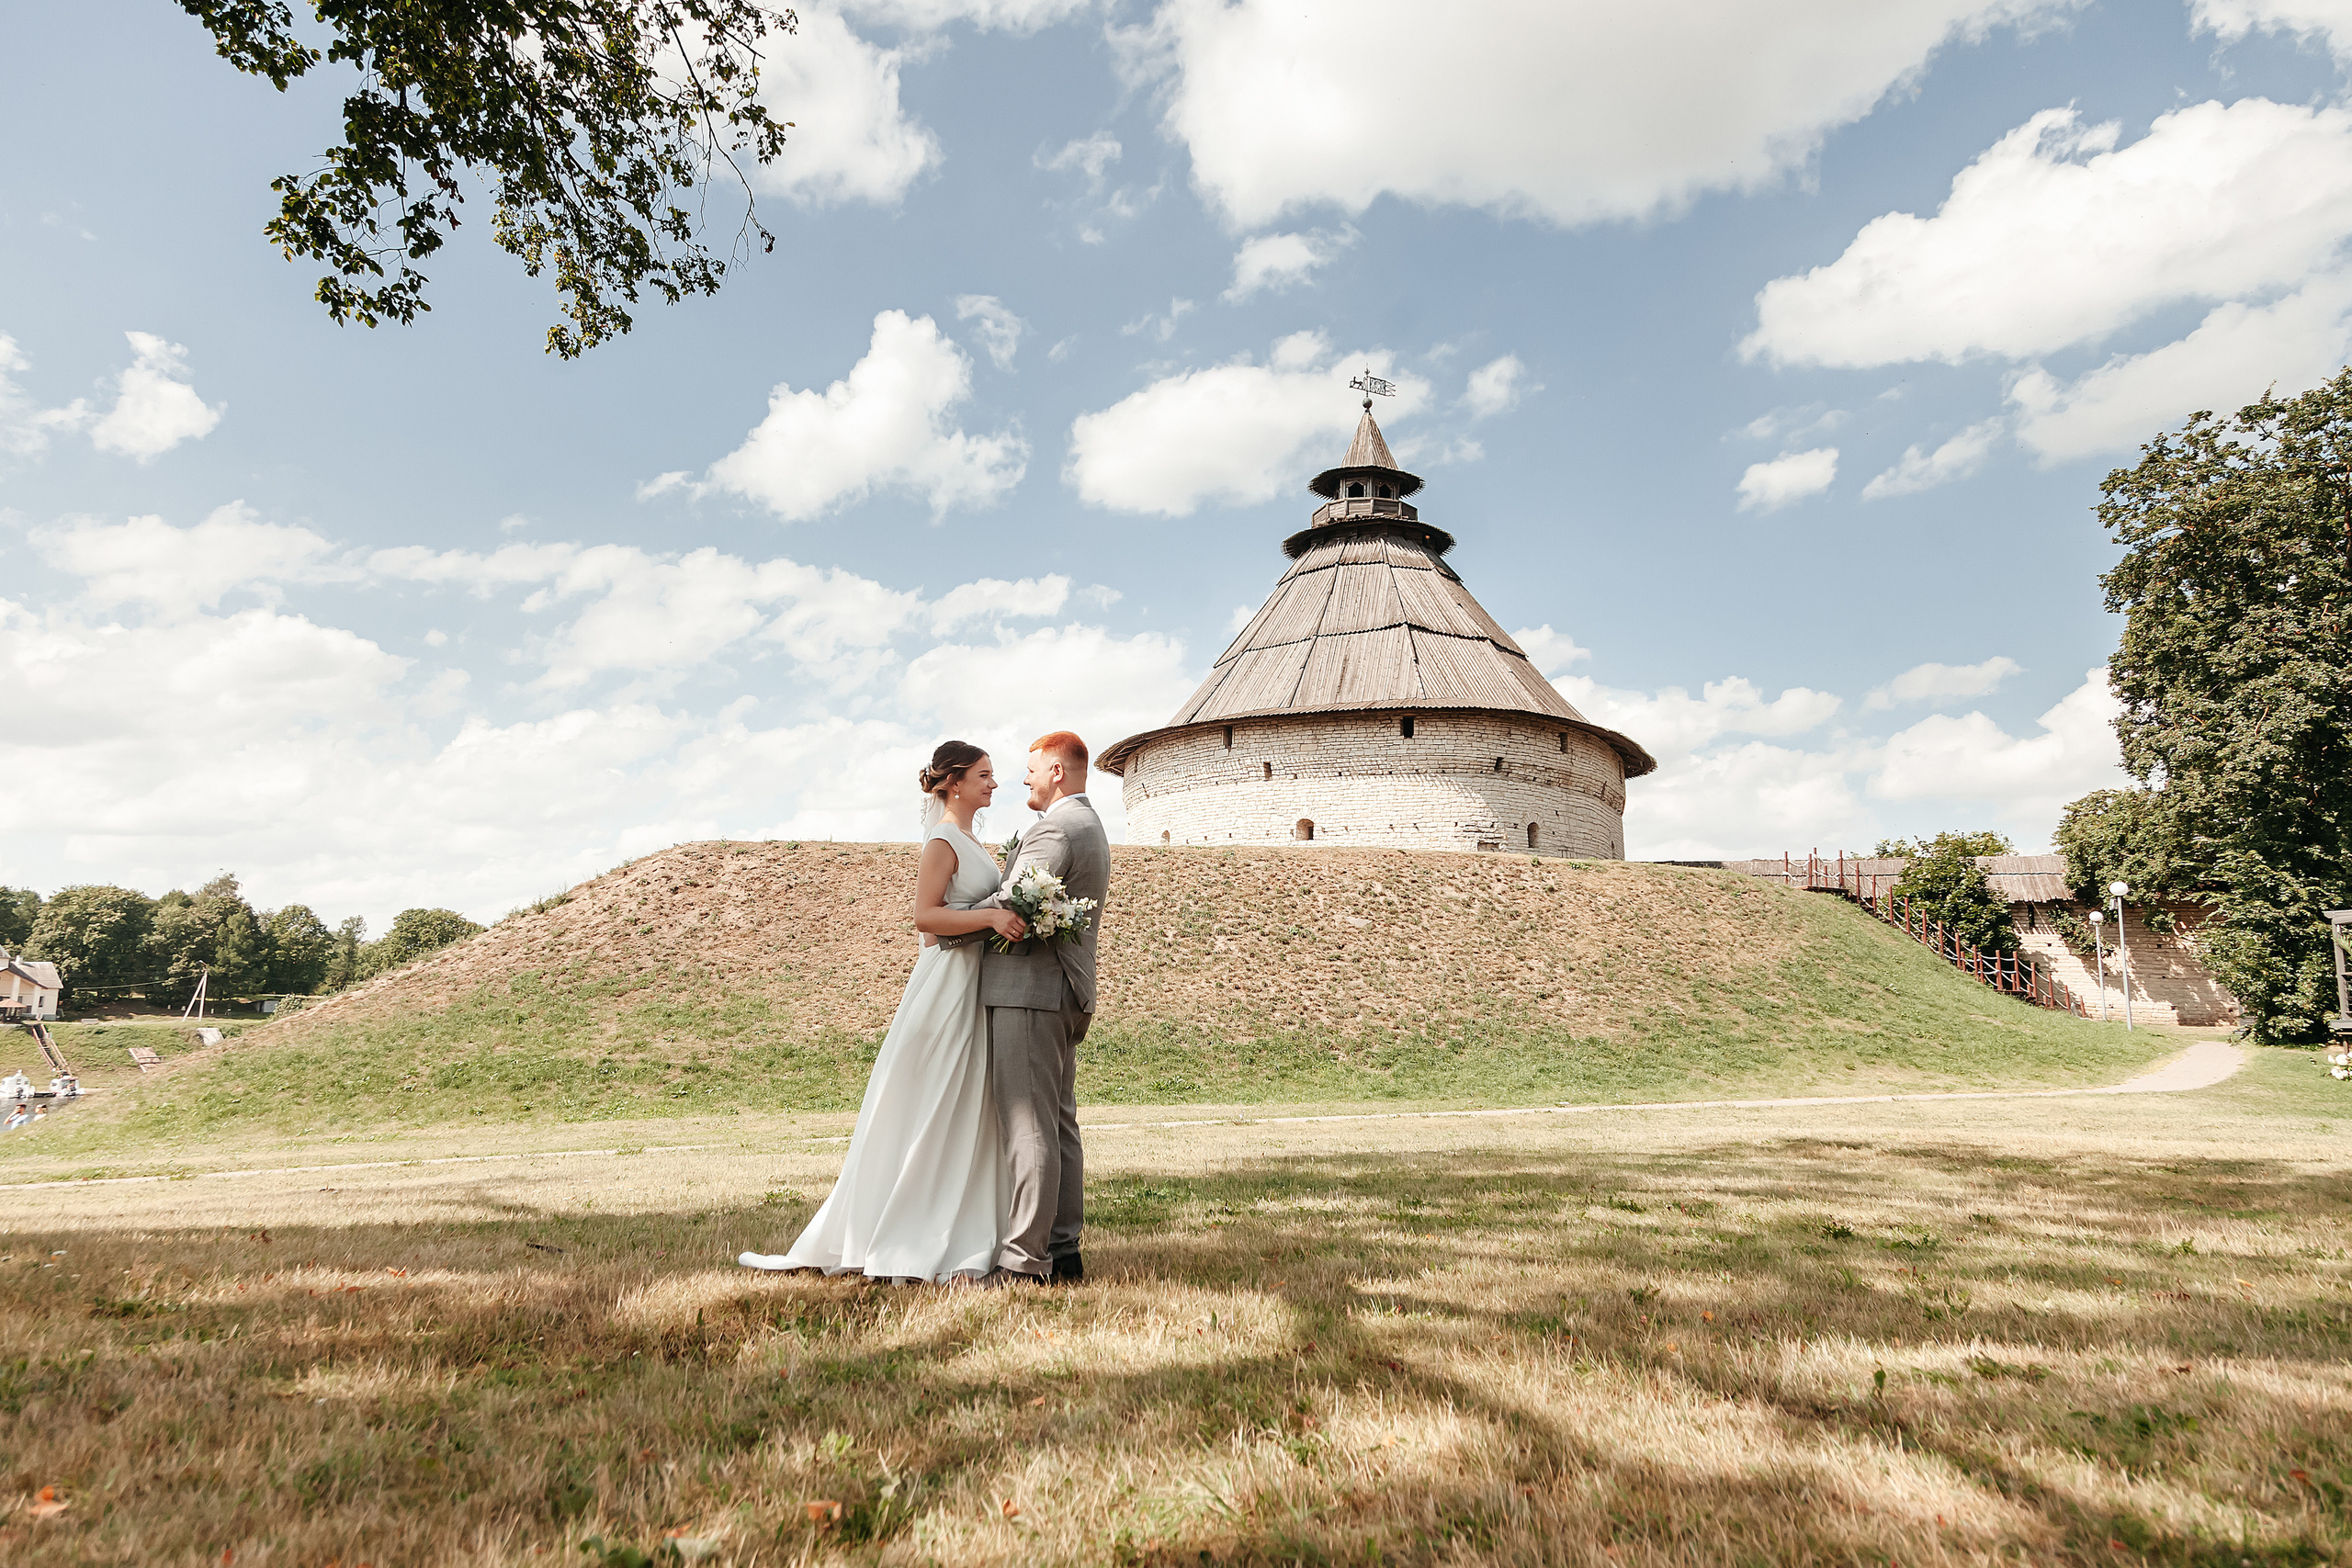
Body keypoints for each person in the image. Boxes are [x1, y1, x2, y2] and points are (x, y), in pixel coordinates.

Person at [738, 741, 1030, 1283]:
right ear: (954, 783)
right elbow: (925, 916)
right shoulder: (943, 840)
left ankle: (959, 1224)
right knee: (932, 1100)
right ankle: (901, 1230)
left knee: (965, 1105)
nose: (994, 784)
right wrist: (990, 917)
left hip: (973, 984)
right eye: (985, 775)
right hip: (945, 986)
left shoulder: (973, 840)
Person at [940, 731, 1110, 1287]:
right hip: (1060, 989)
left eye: (1032, 769)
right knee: (1057, 1123)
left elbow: (1015, 898)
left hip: (1031, 990)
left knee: (1027, 1126)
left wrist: (956, 918)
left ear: (1057, 771)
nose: (1024, 779)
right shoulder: (1089, 824)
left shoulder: (1058, 827)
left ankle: (1023, 1262)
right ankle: (1063, 1252)